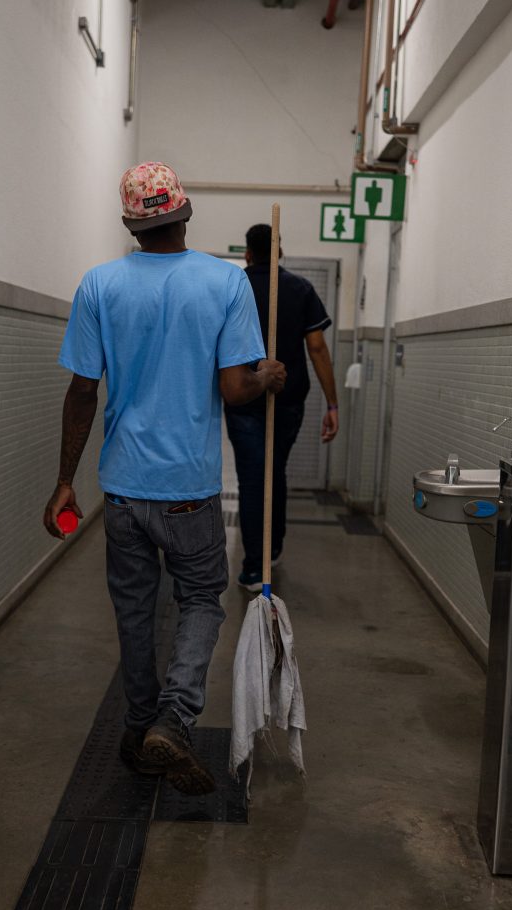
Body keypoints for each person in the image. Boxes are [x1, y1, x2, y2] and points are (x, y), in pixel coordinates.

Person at [43, 163, 286, 794]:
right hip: (188, 491)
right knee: (201, 598)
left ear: (130, 224)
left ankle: (137, 727)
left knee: (134, 611)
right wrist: (267, 376)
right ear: (186, 212)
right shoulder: (225, 283)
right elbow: (235, 389)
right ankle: (173, 719)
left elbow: (82, 391)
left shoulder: (99, 285)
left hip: (122, 489)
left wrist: (65, 479)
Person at [224, 223, 339, 592]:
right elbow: (317, 347)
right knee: (275, 470)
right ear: (280, 252)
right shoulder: (301, 289)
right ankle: (272, 549)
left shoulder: (233, 287)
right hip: (288, 401)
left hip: (244, 399)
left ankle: (254, 568)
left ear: (247, 253)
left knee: (253, 478)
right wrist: (333, 404)